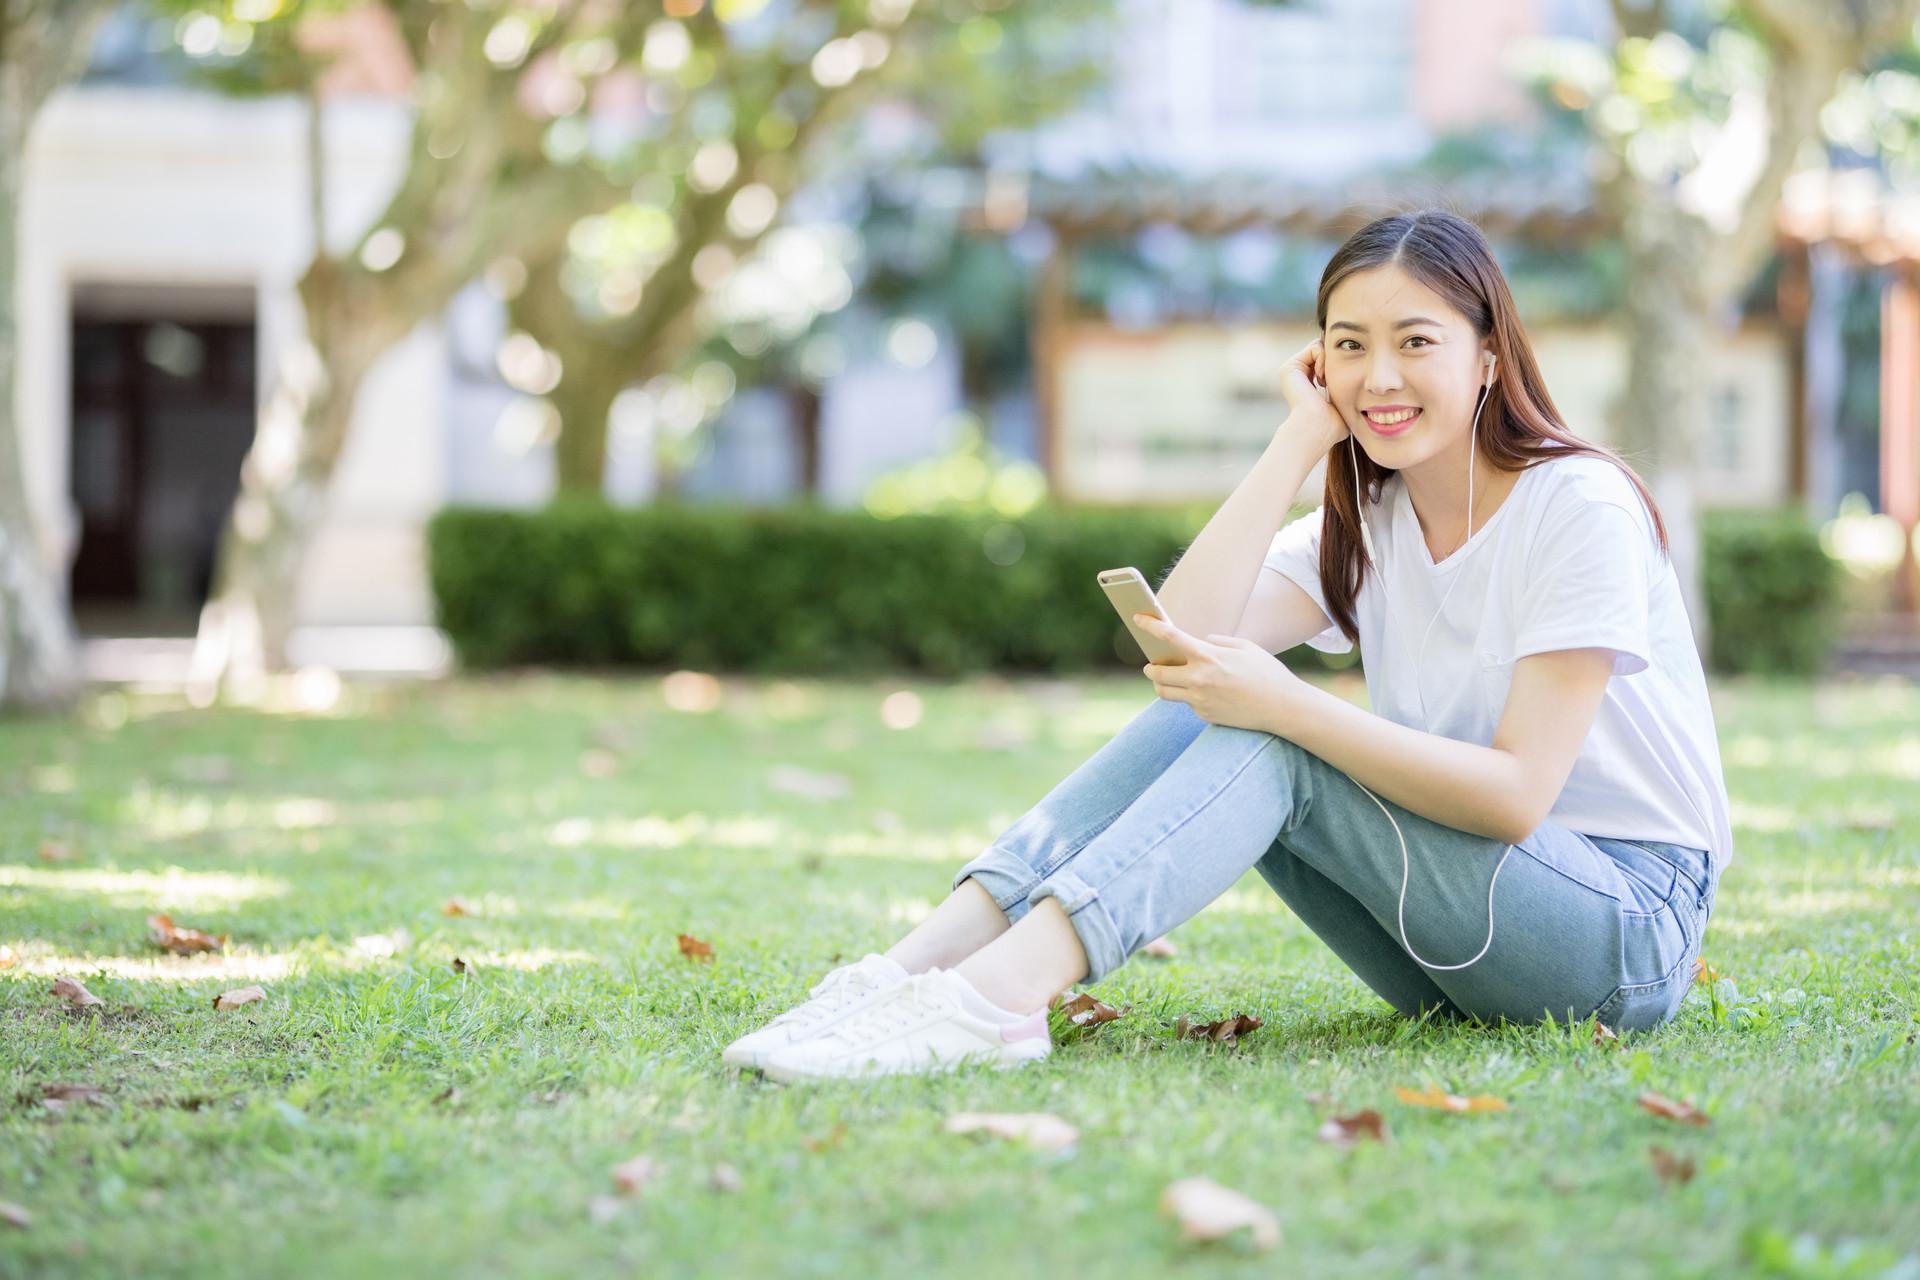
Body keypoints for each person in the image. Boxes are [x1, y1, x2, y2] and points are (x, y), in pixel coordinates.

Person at [723, 208, 1733, 1085]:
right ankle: (919, 967)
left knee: (1276, 729)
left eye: (1416, 341)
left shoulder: (1576, 503)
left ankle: (1000, 996)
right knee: (1218, 701)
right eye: (1347, 345)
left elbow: (1517, 793)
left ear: (1489, 356)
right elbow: (1183, 645)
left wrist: (1292, 706)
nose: (1378, 374)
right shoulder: (1373, 517)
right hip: (1462, 941)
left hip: (1622, 936)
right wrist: (1298, 440)